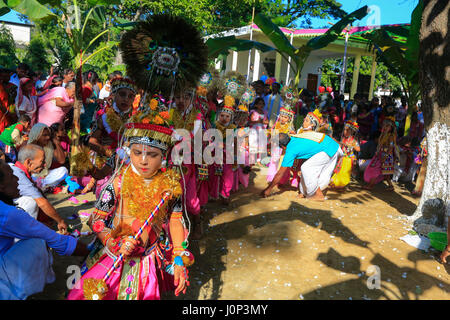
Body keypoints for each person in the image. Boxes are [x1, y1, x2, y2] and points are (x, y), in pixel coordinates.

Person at [67, 103, 190, 300]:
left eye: (152, 155)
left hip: (146, 260)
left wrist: (179, 256)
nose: (143, 161)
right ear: (129, 151)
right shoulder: (119, 181)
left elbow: (175, 220)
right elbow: (96, 220)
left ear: (164, 156)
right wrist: (113, 242)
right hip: (114, 256)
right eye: (136, 153)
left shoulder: (170, 187)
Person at [0, 158, 88, 300]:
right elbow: (55, 240)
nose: (17, 179)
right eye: (11, 177)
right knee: (37, 242)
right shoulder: (8, 214)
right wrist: (91, 252)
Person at [262, 121, 340, 201]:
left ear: (282, 146)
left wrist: (268, 189)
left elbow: (280, 173)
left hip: (330, 148)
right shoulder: (294, 137)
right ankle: (303, 193)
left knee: (306, 168)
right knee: (305, 168)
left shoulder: (290, 150)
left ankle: (318, 194)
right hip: (330, 145)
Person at [9, 144, 68, 231]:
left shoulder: (20, 172)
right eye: (42, 161)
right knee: (30, 202)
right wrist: (60, 221)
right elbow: (42, 202)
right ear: (29, 162)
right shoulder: (18, 174)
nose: (44, 165)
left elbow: (39, 193)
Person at [27, 123, 68, 190]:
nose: (48, 137)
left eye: (48, 135)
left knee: (64, 170)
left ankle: (42, 185)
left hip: (46, 176)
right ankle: (44, 185)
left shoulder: (49, 145)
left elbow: (62, 160)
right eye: (44, 135)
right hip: (34, 176)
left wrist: (56, 143)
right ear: (37, 135)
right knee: (32, 179)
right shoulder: (29, 146)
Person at [363, 116, 399, 191]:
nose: (385, 127)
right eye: (384, 125)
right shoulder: (383, 135)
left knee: (376, 170)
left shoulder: (391, 137)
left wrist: (385, 157)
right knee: (385, 174)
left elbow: (391, 147)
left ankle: (370, 185)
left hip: (386, 157)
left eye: (387, 126)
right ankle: (391, 186)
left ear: (391, 128)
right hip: (380, 155)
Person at [330, 120, 360, 190]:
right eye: (345, 130)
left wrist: (352, 145)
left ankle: (342, 185)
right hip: (342, 158)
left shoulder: (353, 140)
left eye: (348, 130)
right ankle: (337, 184)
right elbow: (340, 145)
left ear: (352, 132)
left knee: (345, 173)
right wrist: (334, 140)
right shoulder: (343, 139)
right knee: (339, 171)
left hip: (349, 160)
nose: (345, 132)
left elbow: (358, 149)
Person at [0, 67, 18, 132]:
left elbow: (12, 100)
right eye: (4, 76)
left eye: (8, 76)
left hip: (9, 111)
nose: (7, 78)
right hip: (3, 113)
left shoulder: (12, 86)